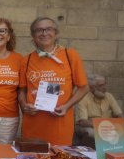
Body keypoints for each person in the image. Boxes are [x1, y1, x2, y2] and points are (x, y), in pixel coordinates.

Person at [18, 17, 89, 145]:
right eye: (39, 30)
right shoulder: (26, 60)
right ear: (33, 36)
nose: (44, 33)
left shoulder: (70, 55)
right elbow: (21, 90)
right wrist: (24, 105)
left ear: (56, 33)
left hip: (60, 124)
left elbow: (84, 87)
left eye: (48, 29)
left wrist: (67, 106)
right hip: (33, 124)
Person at [76, 74, 124, 139]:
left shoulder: (109, 96)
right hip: (90, 127)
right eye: (101, 86)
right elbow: (83, 122)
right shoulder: (83, 98)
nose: (105, 88)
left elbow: (120, 115)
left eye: (105, 84)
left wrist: (118, 124)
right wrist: (103, 127)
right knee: (91, 132)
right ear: (92, 87)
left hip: (108, 127)